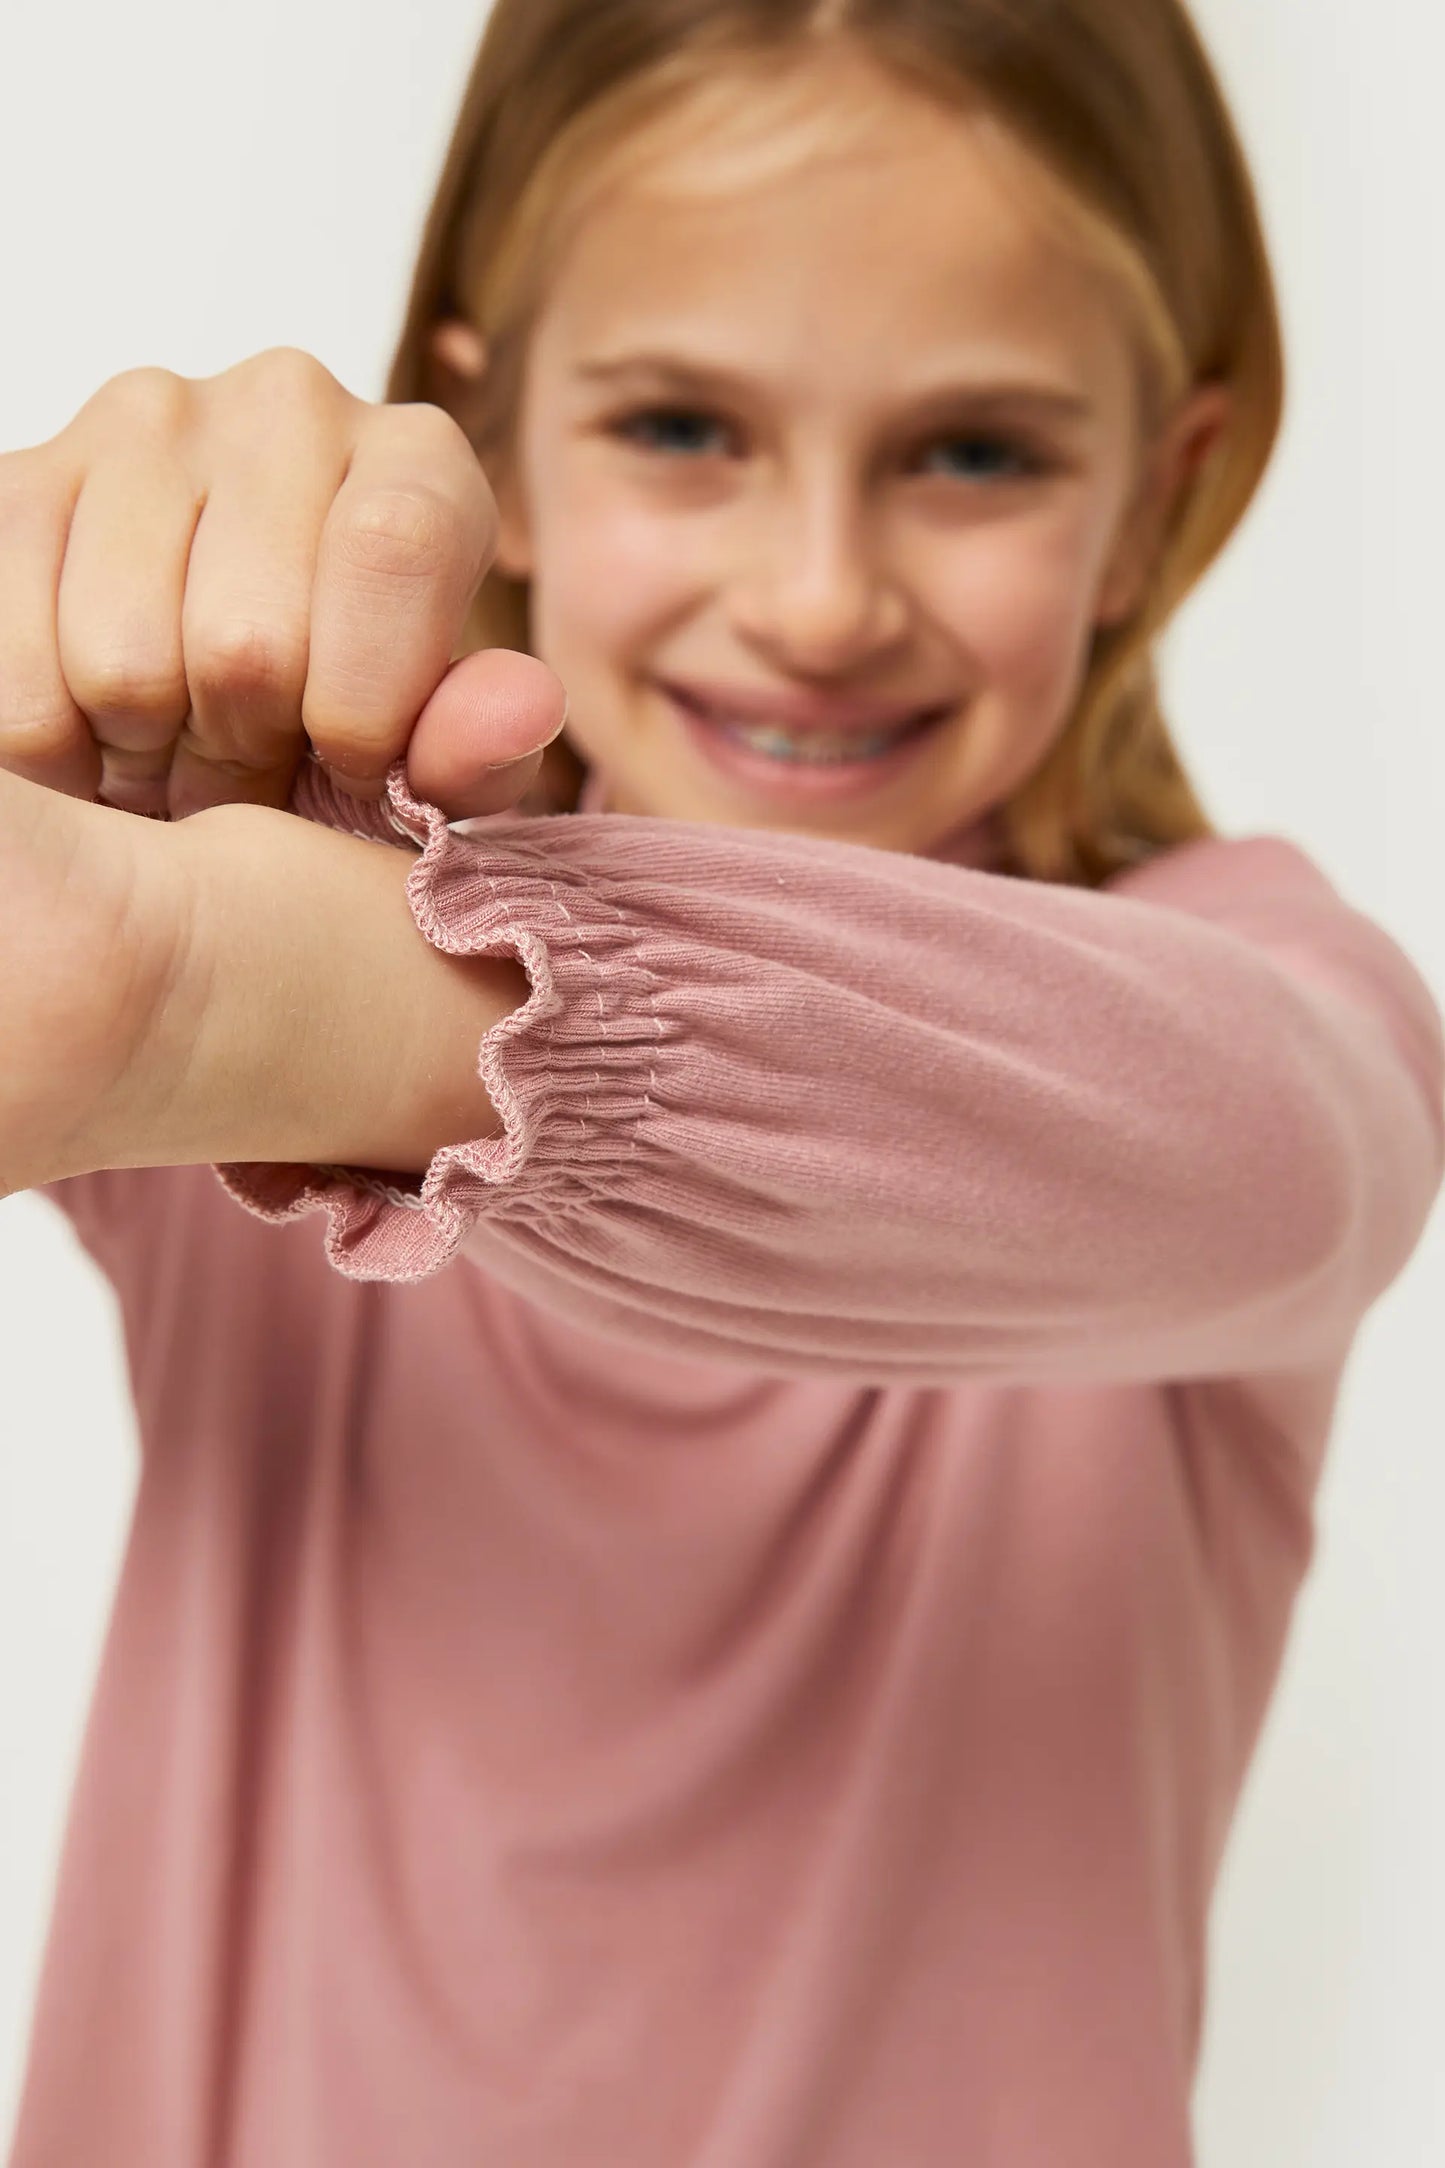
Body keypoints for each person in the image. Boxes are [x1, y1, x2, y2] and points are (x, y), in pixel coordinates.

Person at [1, 1, 1441, 2162]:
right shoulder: (271, 853)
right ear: (493, 444)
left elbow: (1294, 1148)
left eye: (976, 453)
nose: (819, 595)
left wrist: (228, 1002)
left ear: (1164, 501)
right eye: (682, 425)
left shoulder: (1244, 991)